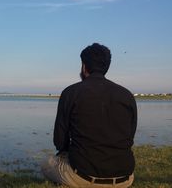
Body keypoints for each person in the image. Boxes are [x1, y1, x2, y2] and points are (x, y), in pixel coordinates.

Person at [42, 43, 137, 187]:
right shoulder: (127, 95)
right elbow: (130, 137)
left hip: (83, 177)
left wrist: (68, 151)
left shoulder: (71, 93)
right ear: (106, 67)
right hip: (124, 179)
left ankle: (67, 182)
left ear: (84, 66)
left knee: (45, 164)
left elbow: (60, 141)